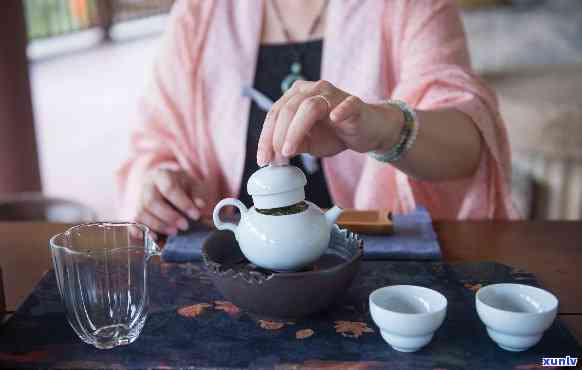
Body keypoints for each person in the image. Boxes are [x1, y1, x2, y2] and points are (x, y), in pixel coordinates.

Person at [118, 0, 516, 238]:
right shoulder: (200, 14)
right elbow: (153, 147)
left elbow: (468, 144)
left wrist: (381, 127)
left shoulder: (407, 7)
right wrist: (157, 186)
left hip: (377, 272)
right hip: (235, 273)